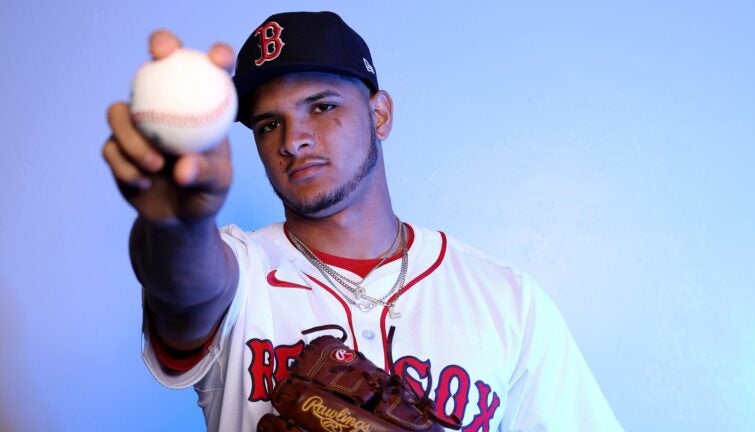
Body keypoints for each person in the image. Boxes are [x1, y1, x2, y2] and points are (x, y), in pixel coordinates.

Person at [103, 10, 623, 432]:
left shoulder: (506, 298)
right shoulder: (239, 272)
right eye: (269, 123)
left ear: (380, 114)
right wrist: (177, 223)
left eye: (323, 106)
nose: (293, 139)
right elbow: (183, 287)